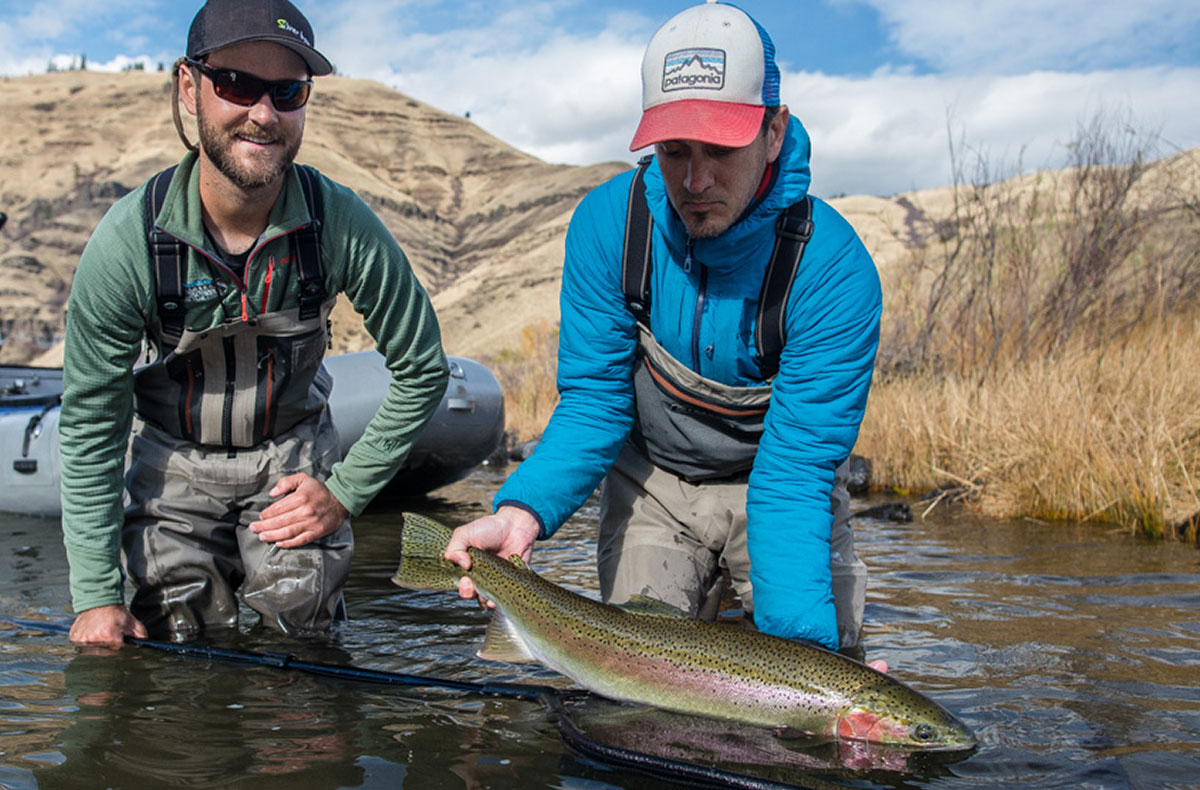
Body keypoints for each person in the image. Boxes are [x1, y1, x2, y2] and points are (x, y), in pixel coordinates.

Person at [446, 0, 881, 655]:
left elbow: (794, 478)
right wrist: (521, 512)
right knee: (640, 686)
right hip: (652, 482)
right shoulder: (608, 227)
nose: (695, 179)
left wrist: (810, 678)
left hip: (777, 479)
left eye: (722, 149)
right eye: (674, 150)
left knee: (815, 677)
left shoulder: (832, 271)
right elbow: (595, 403)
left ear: (774, 131)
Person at [62, 0, 448, 646]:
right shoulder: (128, 240)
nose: (263, 114)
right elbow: (92, 423)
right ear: (189, 87)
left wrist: (346, 493)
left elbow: (423, 368)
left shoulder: (340, 222)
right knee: (176, 639)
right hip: (172, 466)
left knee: (302, 633)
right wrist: (96, 596)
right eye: (236, 84)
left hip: (293, 460)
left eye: (287, 91)